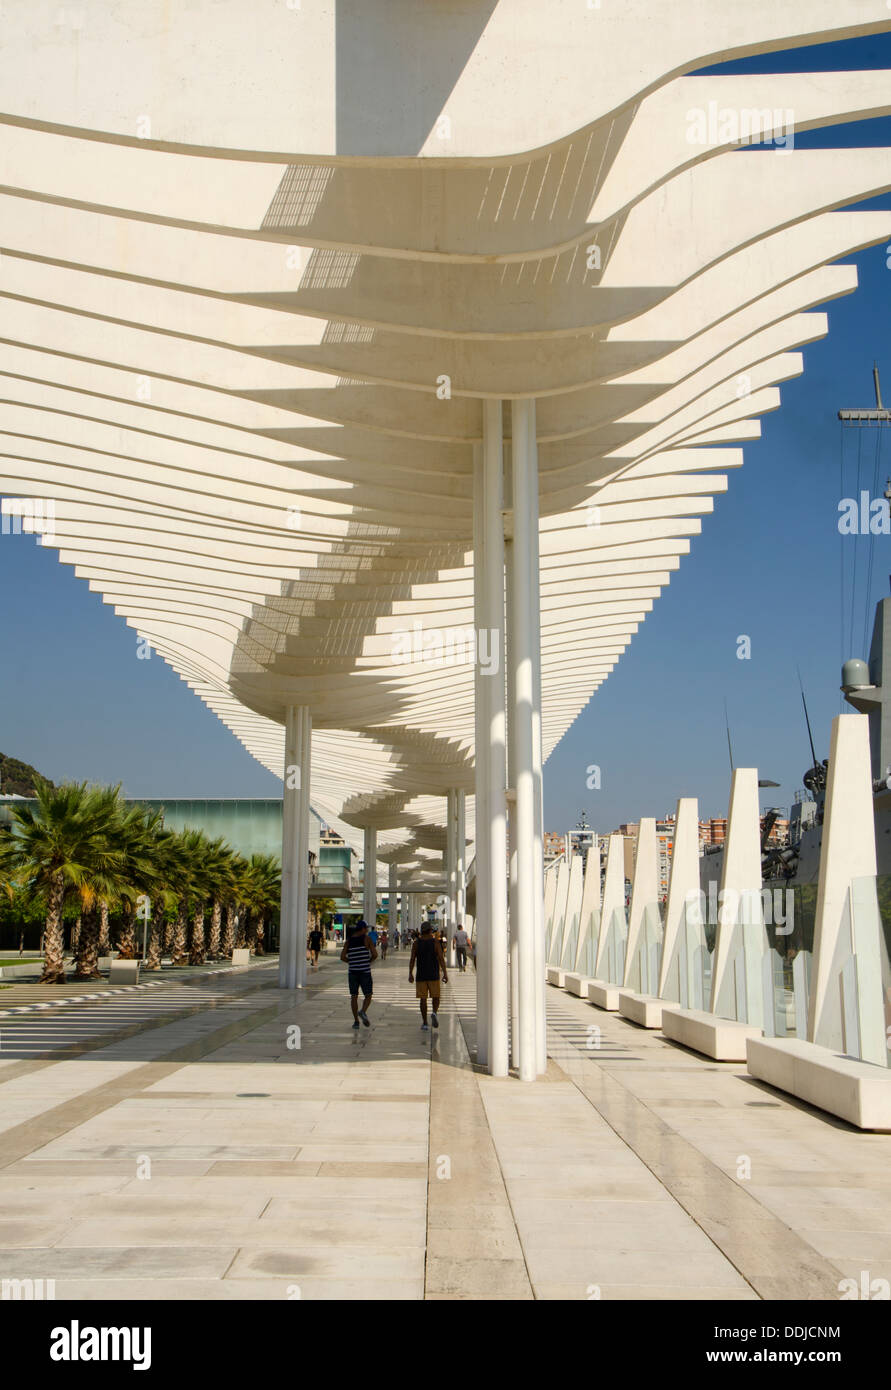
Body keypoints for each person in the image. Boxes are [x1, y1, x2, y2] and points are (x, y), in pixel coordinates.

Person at [408, 921, 447, 1031]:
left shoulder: (416, 943)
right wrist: (445, 973)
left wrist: (410, 973)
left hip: (421, 975)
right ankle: (434, 1012)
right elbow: (441, 958)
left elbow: (412, 959)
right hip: (433, 974)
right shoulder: (435, 942)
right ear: (430, 930)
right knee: (436, 996)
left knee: (423, 1000)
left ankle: (425, 1023)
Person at [340, 919, 377, 1029]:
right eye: (366, 928)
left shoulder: (349, 941)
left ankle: (356, 1021)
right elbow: (375, 954)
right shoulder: (367, 939)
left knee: (354, 996)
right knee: (368, 995)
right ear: (362, 929)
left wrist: (351, 962)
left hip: (353, 972)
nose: (366, 931)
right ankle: (363, 1011)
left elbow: (342, 957)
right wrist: (368, 961)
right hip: (365, 972)